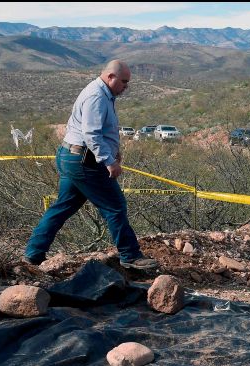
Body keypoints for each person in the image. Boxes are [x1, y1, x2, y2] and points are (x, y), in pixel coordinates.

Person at [23, 60, 157, 270]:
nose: (126, 86)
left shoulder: (103, 93)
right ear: (110, 77)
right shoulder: (97, 96)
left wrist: (114, 149)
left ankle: (33, 254)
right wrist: (109, 161)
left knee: (62, 207)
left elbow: (99, 131)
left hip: (73, 157)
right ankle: (130, 255)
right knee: (115, 206)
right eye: (123, 81)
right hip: (85, 161)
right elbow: (91, 134)